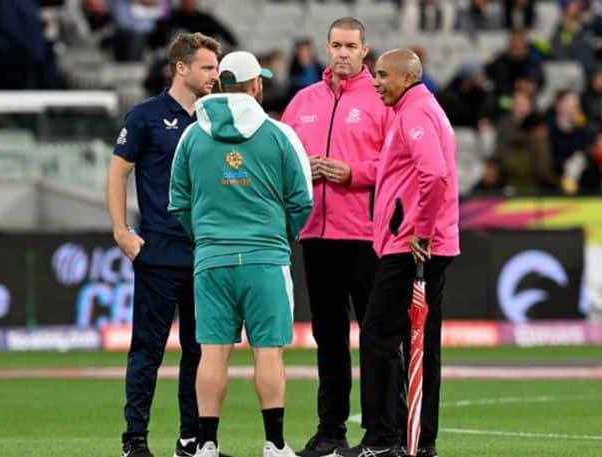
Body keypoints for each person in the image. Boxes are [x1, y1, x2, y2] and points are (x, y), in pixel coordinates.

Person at [168, 50, 313, 457]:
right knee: (268, 352)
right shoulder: (278, 133)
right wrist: (278, 237)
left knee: (212, 354)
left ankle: (207, 445)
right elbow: (302, 201)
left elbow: (178, 202)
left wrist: (208, 237)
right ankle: (274, 444)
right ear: (255, 86)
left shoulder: (192, 135)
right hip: (266, 258)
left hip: (212, 259)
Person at [336, 49, 459, 457]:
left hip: (412, 246)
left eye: (383, 75)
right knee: (419, 341)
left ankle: (382, 439)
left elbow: (435, 174)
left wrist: (420, 230)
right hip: (422, 243)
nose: (375, 82)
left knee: (378, 336)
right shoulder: (419, 110)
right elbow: (403, 172)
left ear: (407, 77)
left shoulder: (415, 113)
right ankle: (420, 442)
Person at [280, 17, 392, 457]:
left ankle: (384, 433)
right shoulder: (302, 102)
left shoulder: (383, 100)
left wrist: (353, 173)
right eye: (336, 45)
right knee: (328, 338)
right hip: (316, 235)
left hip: (367, 235)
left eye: (351, 45)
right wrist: (298, 173)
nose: (342, 53)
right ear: (327, 48)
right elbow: (281, 160)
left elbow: (399, 164)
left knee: (377, 337)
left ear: (365, 50)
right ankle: (331, 432)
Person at [106, 32, 220, 457]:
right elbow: (118, 172)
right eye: (207, 67)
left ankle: (192, 441)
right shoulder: (146, 116)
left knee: (200, 352)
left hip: (207, 254)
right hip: (159, 252)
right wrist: (121, 232)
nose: (214, 75)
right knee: (147, 350)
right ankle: (134, 439)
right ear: (182, 67)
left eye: (216, 68)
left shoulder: (217, 116)